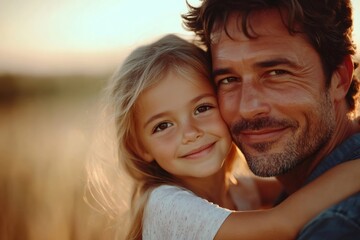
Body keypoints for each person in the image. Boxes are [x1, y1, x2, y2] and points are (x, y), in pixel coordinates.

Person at [94, 33, 360, 240]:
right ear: (139, 147)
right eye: (162, 126)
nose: (190, 133)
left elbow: (300, 182)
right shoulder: (165, 205)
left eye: (202, 108)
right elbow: (282, 224)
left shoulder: (239, 192)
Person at [182, 0, 360, 238]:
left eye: (276, 73)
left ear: (340, 78)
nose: (248, 108)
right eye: (228, 79)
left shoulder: (338, 227)